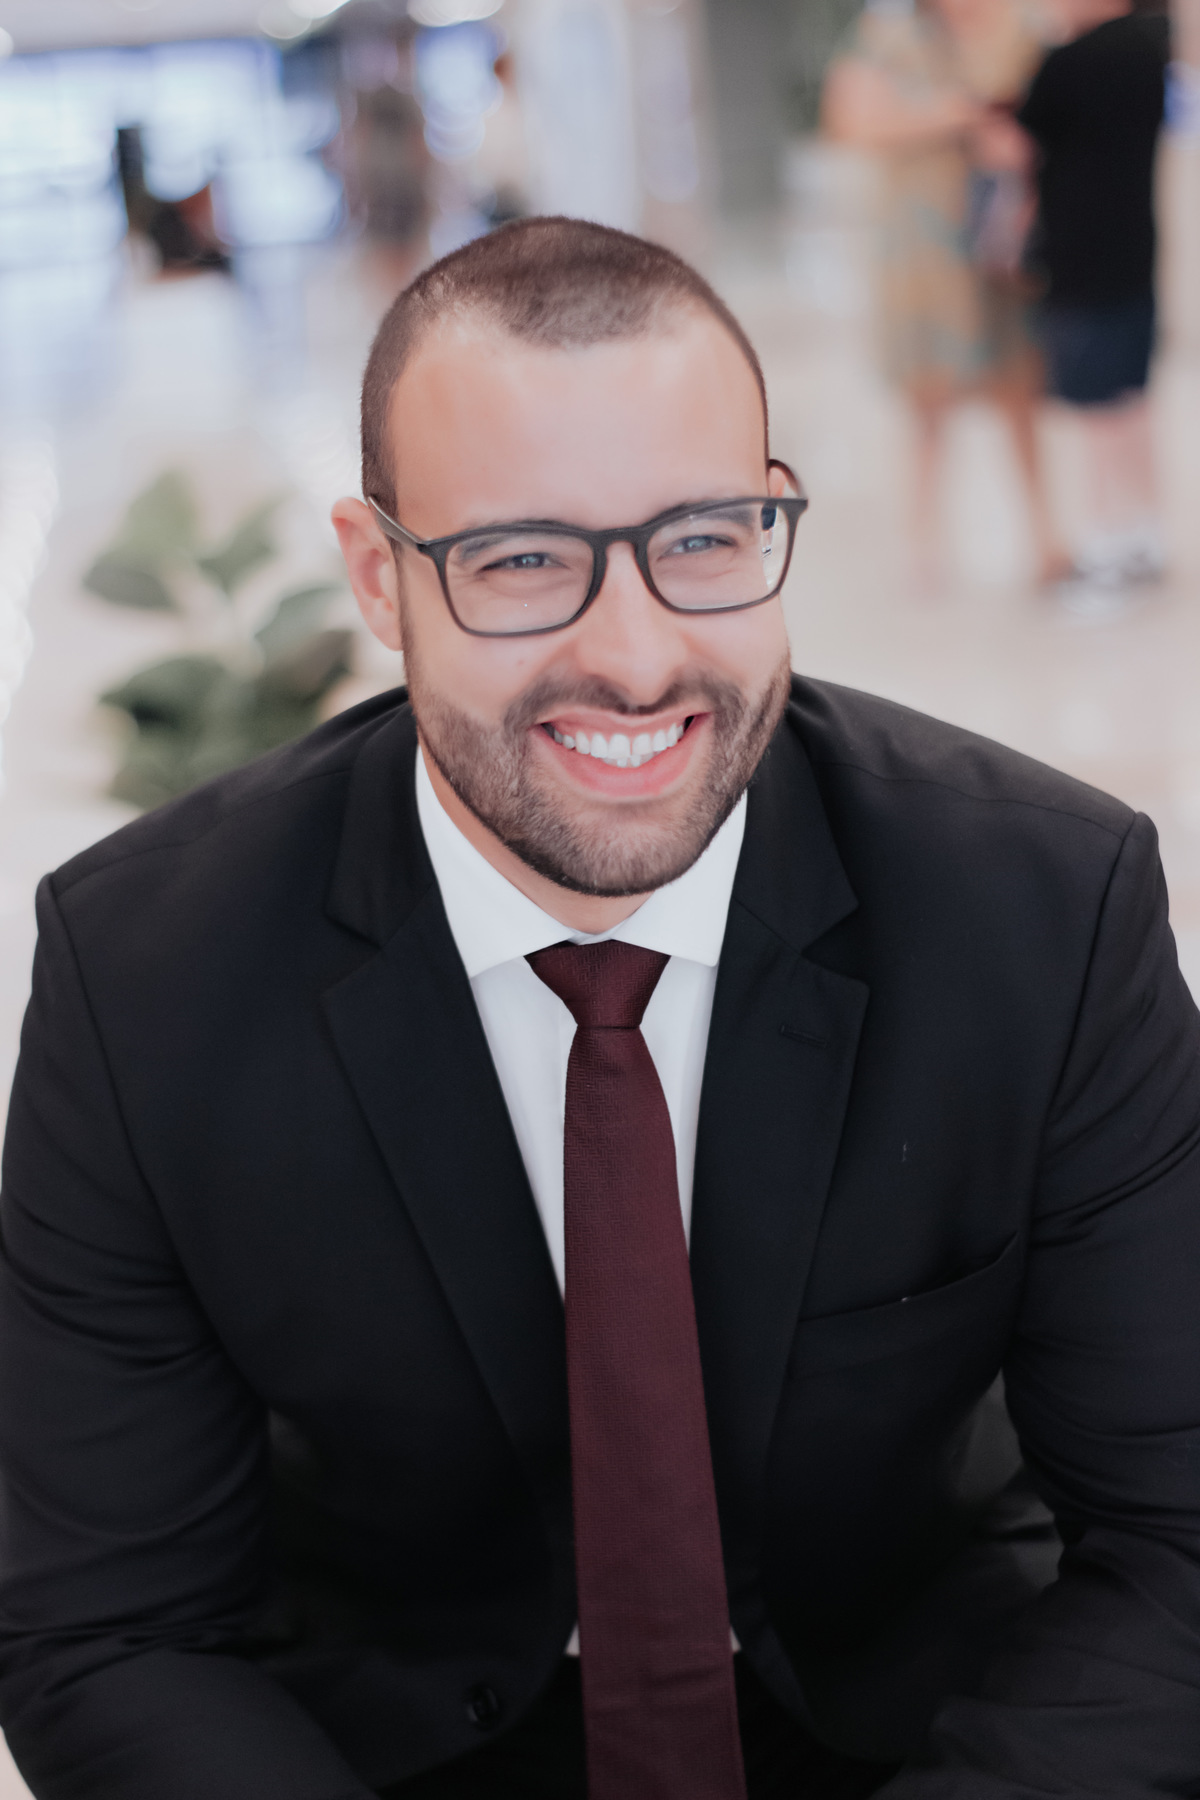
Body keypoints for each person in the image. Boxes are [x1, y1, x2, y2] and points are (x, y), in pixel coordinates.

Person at [2, 217, 1200, 1800]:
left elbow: (1176, 1542)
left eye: (702, 539)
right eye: (521, 561)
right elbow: (107, 1627)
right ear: (379, 576)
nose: (634, 658)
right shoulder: (147, 974)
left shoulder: (1039, 911)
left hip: (933, 1730)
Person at [823, 0, 1066, 587]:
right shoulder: (890, 34)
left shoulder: (1025, 29)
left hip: (1003, 240)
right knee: (928, 396)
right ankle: (924, 539)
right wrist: (956, 116)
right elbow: (850, 123)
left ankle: (1043, 533)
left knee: (1018, 386)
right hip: (921, 243)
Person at [1017, 0, 1170, 594]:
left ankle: (1106, 550)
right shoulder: (1153, 47)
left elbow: (1018, 143)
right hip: (1135, 252)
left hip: (1081, 261)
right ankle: (1144, 534)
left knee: (1096, 407)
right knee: (1130, 400)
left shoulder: (1070, 62)